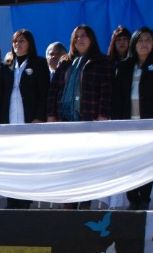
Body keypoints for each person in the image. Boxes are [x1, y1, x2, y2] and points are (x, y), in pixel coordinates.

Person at [48, 25, 112, 209]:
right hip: (65, 122)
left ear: (92, 39)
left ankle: (84, 205)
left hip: (89, 121)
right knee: (69, 166)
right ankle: (69, 204)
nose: (80, 40)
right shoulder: (65, 62)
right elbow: (54, 91)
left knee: (87, 166)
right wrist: (52, 115)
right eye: (76, 37)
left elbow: (106, 91)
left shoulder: (101, 61)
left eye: (84, 36)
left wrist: (102, 116)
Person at [112, 27, 153, 210]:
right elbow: (116, 98)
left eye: (148, 40)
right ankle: (132, 198)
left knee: (148, 162)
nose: (144, 43)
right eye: (140, 40)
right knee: (129, 162)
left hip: (150, 123)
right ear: (134, 43)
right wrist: (116, 123)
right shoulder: (124, 66)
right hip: (127, 123)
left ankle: (144, 197)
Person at [0, 30, 50, 209]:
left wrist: (38, 117)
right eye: (15, 41)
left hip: (30, 121)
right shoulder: (6, 66)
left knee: (27, 162)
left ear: (30, 43)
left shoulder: (39, 63)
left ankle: (25, 201)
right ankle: (11, 200)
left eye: (22, 41)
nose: (18, 44)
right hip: (10, 121)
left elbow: (44, 94)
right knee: (10, 163)